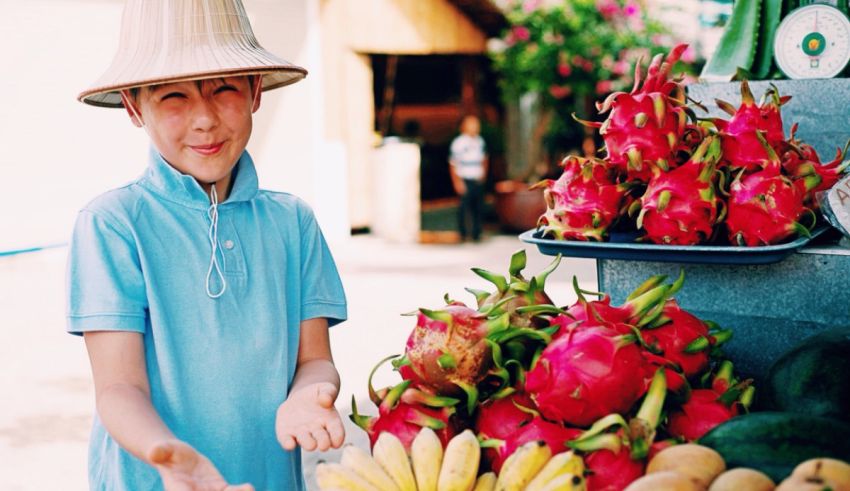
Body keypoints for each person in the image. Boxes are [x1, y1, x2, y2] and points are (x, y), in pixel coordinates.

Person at [66, 1, 347, 489]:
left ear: (256, 90)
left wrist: (310, 393)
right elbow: (117, 387)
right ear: (135, 106)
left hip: (268, 477)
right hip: (156, 480)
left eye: (224, 89)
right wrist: (166, 455)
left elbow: (313, 358)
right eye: (173, 97)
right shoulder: (113, 223)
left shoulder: (293, 221)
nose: (204, 119)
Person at [449, 115, 489, 242]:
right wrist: (457, 182)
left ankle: (477, 233)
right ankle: (463, 234)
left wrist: (483, 174)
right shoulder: (459, 143)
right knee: (464, 208)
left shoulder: (480, 141)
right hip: (465, 178)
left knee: (478, 207)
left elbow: (485, 158)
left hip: (477, 177)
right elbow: (453, 163)